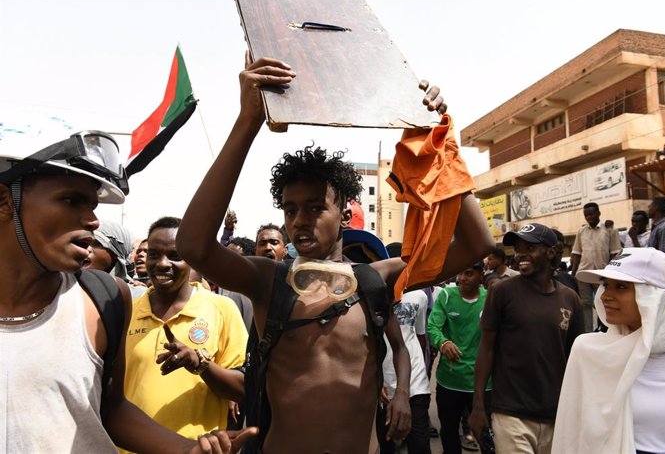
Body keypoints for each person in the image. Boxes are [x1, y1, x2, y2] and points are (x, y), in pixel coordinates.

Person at [176, 55, 494, 453]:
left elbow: (477, 243)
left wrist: (439, 144)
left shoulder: (377, 278)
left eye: (314, 207)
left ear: (344, 213)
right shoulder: (267, 280)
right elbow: (192, 246)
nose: (299, 221)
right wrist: (248, 121)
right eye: (290, 210)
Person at [0, 130, 253, 453]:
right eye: (71, 200)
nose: (92, 220)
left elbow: (111, 409)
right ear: (5, 201)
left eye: (92, 205)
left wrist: (189, 449)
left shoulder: (102, 299)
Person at [552, 247, 665, 453]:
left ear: (657, 299)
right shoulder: (588, 351)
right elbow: (569, 435)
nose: (606, 295)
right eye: (606, 285)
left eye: (621, 287)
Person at [124, 217, 248, 440]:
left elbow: (242, 389)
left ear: (191, 260)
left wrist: (200, 364)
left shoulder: (221, 309)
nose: (162, 263)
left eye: (175, 256)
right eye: (154, 254)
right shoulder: (126, 312)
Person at [469, 223, 584, 454]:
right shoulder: (501, 292)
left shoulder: (570, 299)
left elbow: (576, 358)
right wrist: (479, 406)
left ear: (551, 253)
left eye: (530, 247)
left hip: (557, 414)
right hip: (511, 413)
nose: (521, 254)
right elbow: (486, 349)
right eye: (518, 248)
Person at [428, 261, 491, 454]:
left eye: (469, 273)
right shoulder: (447, 296)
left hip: (483, 385)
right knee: (449, 432)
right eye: (460, 273)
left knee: (486, 435)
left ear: (481, 275)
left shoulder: (490, 299)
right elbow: (432, 327)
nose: (462, 278)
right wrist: (443, 342)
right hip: (450, 382)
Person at [380, 288, 432, 454]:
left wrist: (424, 370)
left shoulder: (419, 296)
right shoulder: (371, 293)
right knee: (384, 443)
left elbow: (420, 335)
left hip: (415, 382)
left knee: (419, 444)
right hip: (382, 383)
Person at [570, 202, 621, 332]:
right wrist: (573, 273)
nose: (589, 217)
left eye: (592, 214)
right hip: (583, 273)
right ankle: (587, 331)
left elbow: (615, 253)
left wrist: (612, 273)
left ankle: (604, 329)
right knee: (585, 304)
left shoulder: (610, 230)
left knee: (602, 302)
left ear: (598, 213)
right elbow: (576, 253)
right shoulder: (581, 231)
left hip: (602, 274)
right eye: (586, 215)